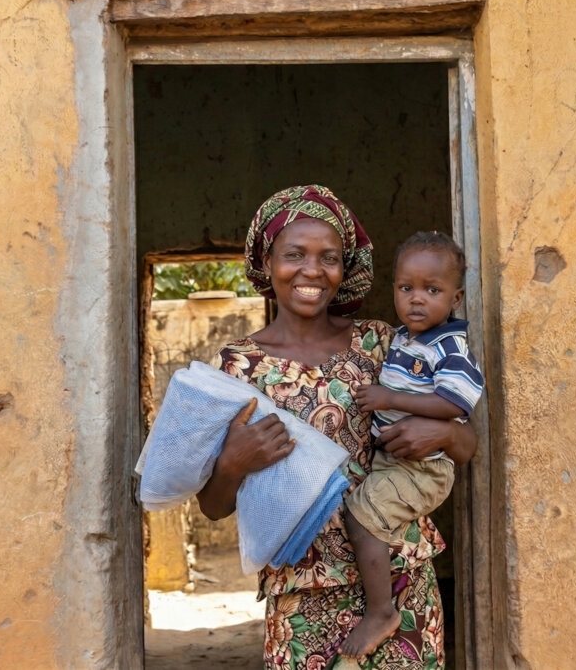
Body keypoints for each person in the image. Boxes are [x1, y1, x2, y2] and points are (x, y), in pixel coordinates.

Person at [196, 185, 477, 669]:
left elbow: (466, 443)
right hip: (301, 592)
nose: (312, 270)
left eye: (329, 257)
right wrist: (234, 463)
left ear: (344, 269)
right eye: (294, 255)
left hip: (400, 577)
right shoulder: (237, 368)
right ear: (267, 262)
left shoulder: (384, 342)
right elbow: (213, 506)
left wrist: (446, 435)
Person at [341, 231, 483, 660]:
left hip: (425, 468)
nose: (416, 299)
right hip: (393, 462)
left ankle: (382, 612)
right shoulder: (403, 338)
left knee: (361, 516)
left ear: (455, 298)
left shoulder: (451, 348)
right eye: (406, 288)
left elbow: (454, 402)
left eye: (431, 290)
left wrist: (389, 399)